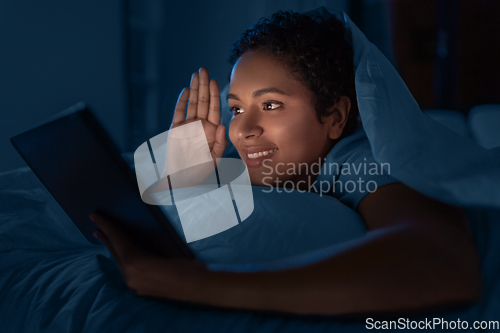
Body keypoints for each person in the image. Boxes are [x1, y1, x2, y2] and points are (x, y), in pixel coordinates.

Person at [89, 10, 482, 315]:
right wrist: (190, 178)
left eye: (271, 104)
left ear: (335, 118)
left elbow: (440, 263)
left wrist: (195, 284)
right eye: (236, 108)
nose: (243, 129)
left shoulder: (363, 159)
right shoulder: (266, 163)